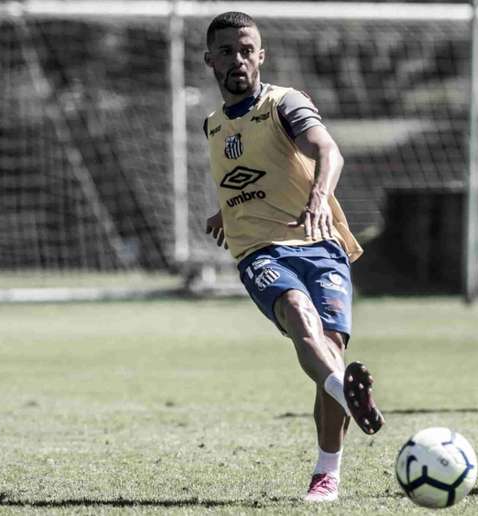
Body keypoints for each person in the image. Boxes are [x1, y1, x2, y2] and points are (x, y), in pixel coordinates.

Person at [201, 11, 384, 502]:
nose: (237, 59)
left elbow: (328, 151)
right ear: (210, 60)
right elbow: (253, 173)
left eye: (246, 49)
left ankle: (328, 471)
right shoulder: (213, 125)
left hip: (320, 243)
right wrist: (224, 210)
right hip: (259, 250)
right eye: (227, 51)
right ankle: (346, 391)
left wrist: (319, 198)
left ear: (260, 55)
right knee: (300, 318)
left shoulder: (286, 103)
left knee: (332, 351)